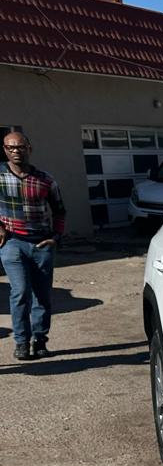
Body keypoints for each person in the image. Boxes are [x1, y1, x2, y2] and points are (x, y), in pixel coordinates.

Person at [1, 129, 65, 360]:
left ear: (29, 148)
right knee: (20, 292)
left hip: (41, 244)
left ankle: (39, 340)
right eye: (10, 147)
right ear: (5, 150)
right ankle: (21, 342)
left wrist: (55, 239)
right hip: (12, 243)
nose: (16, 151)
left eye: (20, 147)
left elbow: (60, 211)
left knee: (42, 295)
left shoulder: (45, 180)